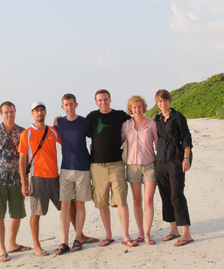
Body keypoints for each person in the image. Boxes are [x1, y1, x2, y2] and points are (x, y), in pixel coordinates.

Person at [86, 89, 138, 247]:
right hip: (97, 166)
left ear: (110, 99)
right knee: (102, 202)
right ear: (96, 102)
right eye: (100, 100)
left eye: (105, 99)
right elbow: (79, 129)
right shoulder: (91, 117)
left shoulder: (120, 115)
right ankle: (108, 235)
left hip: (116, 164)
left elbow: (137, 121)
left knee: (121, 200)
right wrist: (59, 120)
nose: (103, 102)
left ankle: (126, 235)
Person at [0, 101, 30, 263]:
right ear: (1, 114)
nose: (10, 114)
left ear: (15, 112)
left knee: (17, 213)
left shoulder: (22, 132)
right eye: (6, 112)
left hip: (16, 179)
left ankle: (12, 244)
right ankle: (2, 249)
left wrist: (25, 181)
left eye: (12, 111)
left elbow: (25, 159)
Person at [53, 93, 99, 255]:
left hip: (83, 168)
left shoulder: (84, 122)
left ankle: (78, 238)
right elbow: (55, 139)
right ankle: (64, 241)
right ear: (62, 107)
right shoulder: (59, 123)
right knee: (65, 206)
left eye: (72, 104)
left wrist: (95, 147)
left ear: (76, 105)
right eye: (66, 105)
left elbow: (95, 136)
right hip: (65, 168)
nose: (69, 107)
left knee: (80, 205)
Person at [18, 102, 61, 256]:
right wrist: (24, 182)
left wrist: (60, 123)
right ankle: (37, 246)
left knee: (70, 206)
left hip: (55, 177)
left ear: (45, 112)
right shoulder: (27, 133)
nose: (40, 113)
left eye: (42, 110)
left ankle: (78, 236)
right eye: (37, 111)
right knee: (36, 213)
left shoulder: (52, 131)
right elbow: (22, 159)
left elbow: (68, 143)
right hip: (37, 178)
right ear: (32, 113)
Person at [154, 89, 194, 246]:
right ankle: (174, 229)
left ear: (169, 101)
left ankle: (186, 233)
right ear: (157, 103)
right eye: (159, 101)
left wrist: (186, 158)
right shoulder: (157, 119)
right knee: (165, 195)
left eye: (164, 101)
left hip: (176, 160)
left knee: (177, 195)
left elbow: (186, 138)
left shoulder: (178, 117)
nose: (162, 104)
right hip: (161, 161)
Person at [121, 95, 158, 245]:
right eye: (134, 107)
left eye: (139, 106)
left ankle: (148, 234)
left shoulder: (152, 124)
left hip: (149, 165)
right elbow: (119, 142)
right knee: (137, 200)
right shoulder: (126, 125)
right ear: (130, 109)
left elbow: (158, 144)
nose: (137, 109)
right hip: (132, 166)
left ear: (144, 107)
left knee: (148, 200)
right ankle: (140, 233)